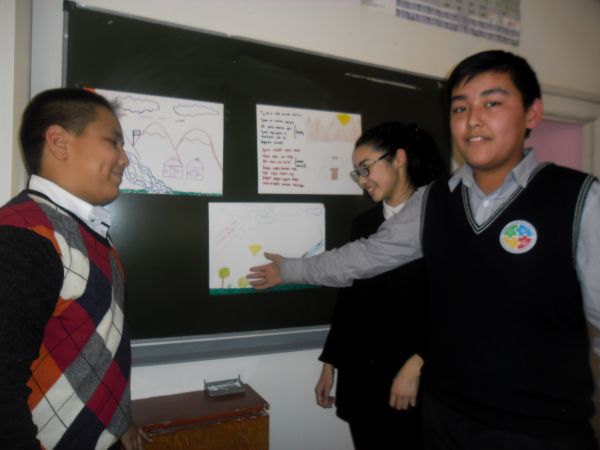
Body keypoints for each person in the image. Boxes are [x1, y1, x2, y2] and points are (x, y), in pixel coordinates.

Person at [248, 50, 600, 450]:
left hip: (535, 429)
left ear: (531, 114)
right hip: (443, 415)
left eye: (492, 103)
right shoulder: (434, 202)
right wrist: (290, 270)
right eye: (460, 108)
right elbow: (364, 258)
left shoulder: (579, 200)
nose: (472, 119)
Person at [0, 88, 147, 449]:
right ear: (59, 142)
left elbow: (98, 345)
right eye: (113, 141)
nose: (124, 159)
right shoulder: (21, 237)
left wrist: (120, 420)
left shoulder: (91, 234)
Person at [315, 122, 445, 449]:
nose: (361, 180)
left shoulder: (440, 219)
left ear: (398, 159)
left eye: (365, 168)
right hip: (362, 373)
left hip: (413, 374)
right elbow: (350, 298)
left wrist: (419, 363)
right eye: (356, 172)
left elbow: (453, 303)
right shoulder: (364, 223)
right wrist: (330, 364)